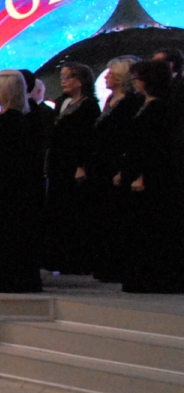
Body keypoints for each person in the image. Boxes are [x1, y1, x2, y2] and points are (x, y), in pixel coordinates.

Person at [0, 70, 45, 293]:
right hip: (7, 184)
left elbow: (4, 157)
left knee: (5, 232)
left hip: (7, 187)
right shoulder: (8, 117)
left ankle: (6, 278)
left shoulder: (11, 120)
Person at [120, 60, 182, 293]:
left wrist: (143, 175)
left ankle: (154, 277)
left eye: (137, 79)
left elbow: (156, 148)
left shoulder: (159, 109)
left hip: (153, 179)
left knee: (151, 229)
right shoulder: (146, 105)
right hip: (142, 174)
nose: (134, 83)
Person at [91, 57, 143, 284]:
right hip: (102, 164)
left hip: (118, 163)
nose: (107, 77)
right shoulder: (110, 100)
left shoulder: (131, 102)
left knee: (117, 216)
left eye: (111, 73)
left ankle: (117, 265)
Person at [46, 63, 100, 275]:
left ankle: (78, 260)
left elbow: (88, 139)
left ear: (81, 81)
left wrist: (82, 165)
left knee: (75, 212)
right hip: (58, 163)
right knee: (58, 211)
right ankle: (59, 257)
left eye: (68, 77)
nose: (64, 81)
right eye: (62, 77)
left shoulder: (89, 105)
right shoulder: (62, 102)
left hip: (74, 164)